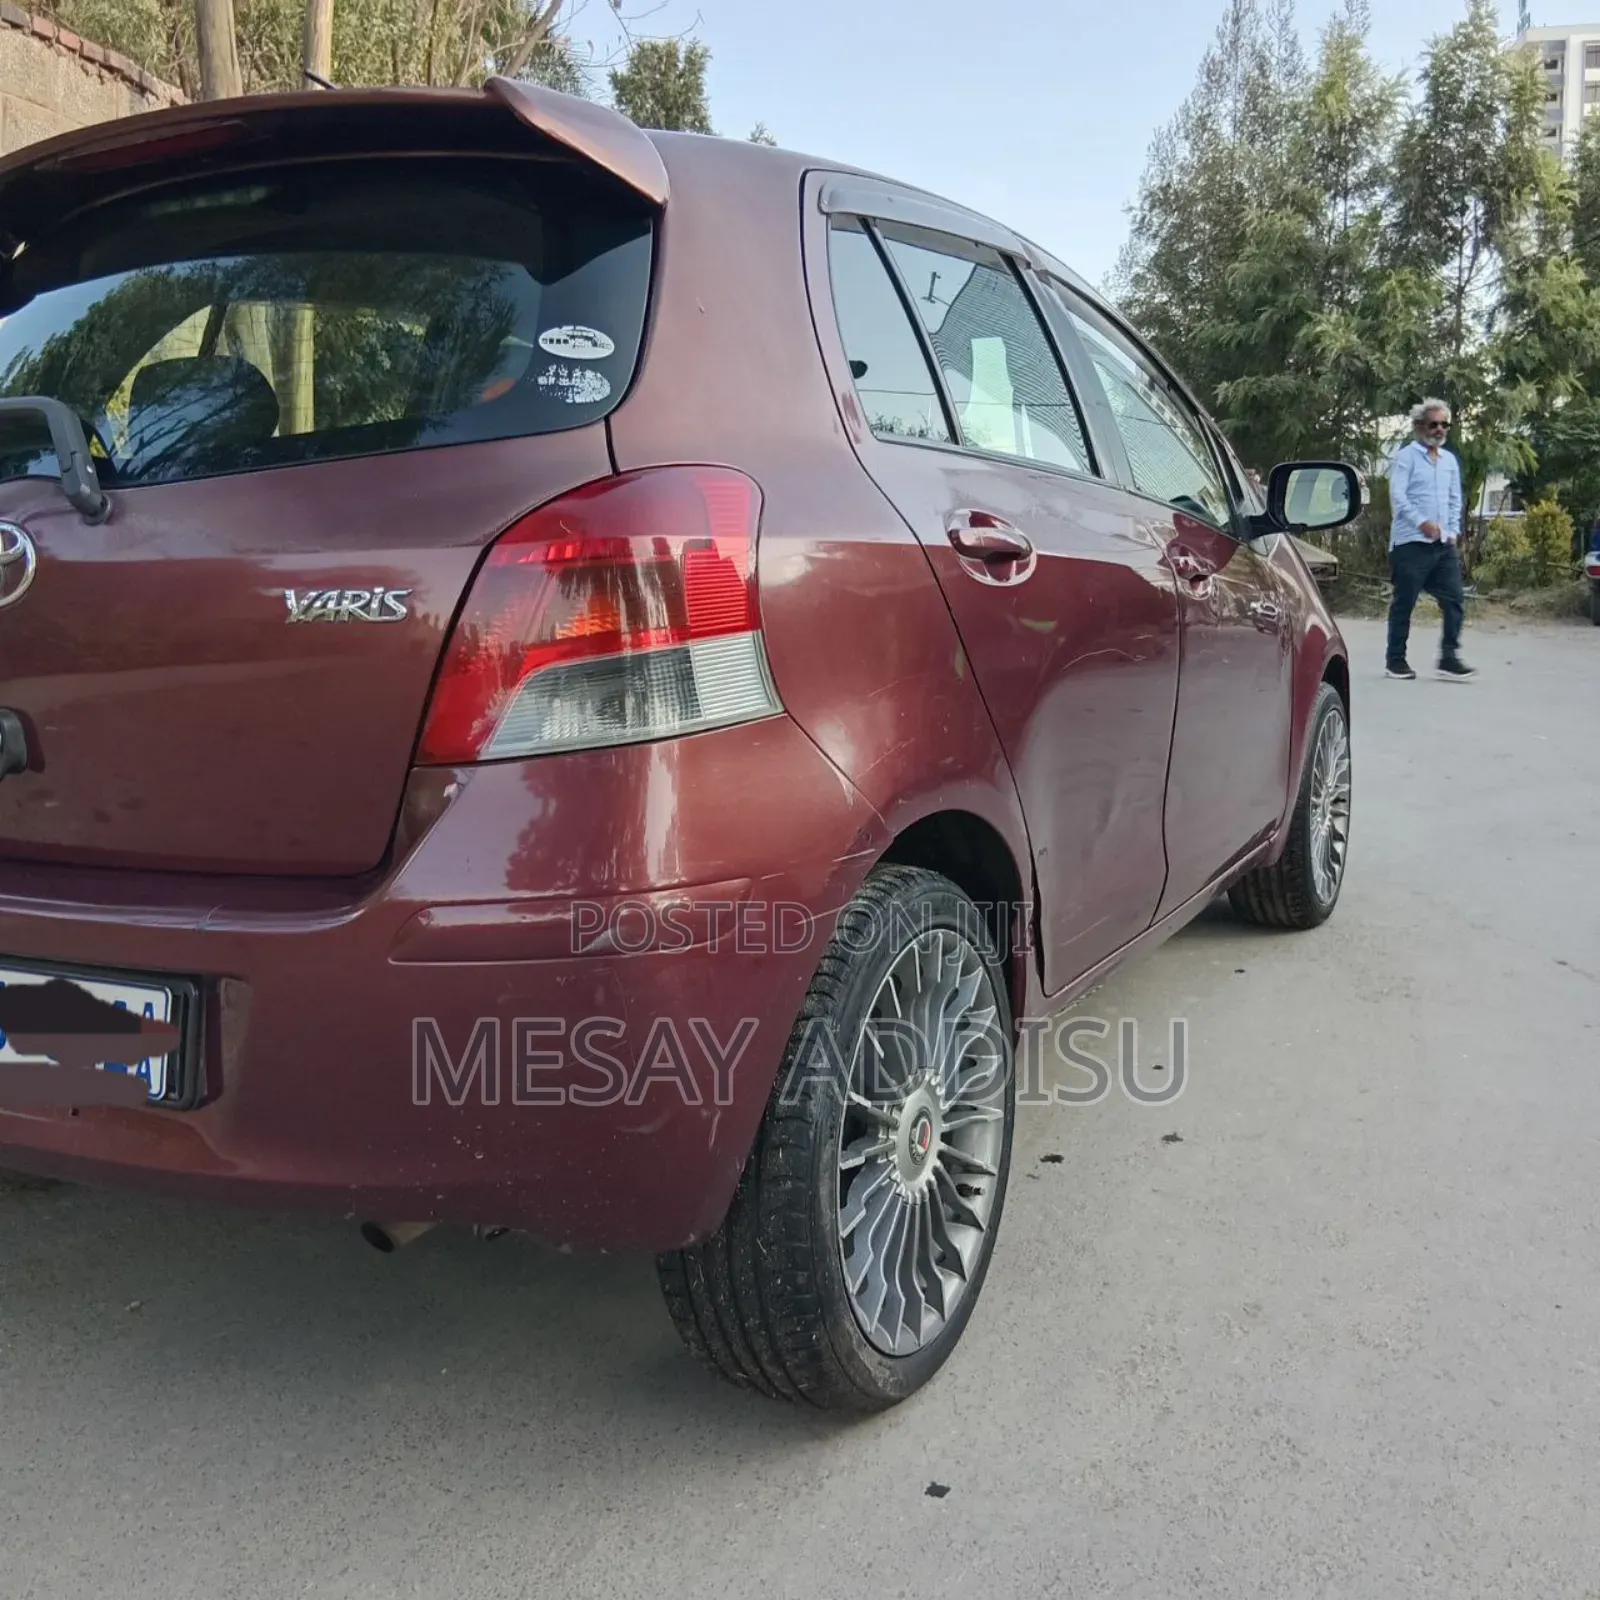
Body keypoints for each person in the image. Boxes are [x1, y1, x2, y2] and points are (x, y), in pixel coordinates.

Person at [1386, 399, 1476, 681]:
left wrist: (1451, 532)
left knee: (1455, 600)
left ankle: (1448, 658)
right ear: (1419, 426)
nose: (1439, 429)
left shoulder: (1449, 460)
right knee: (1405, 602)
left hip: (1442, 545)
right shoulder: (1406, 457)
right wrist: (1421, 523)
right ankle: (1395, 661)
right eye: (1433, 423)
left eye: (1443, 424)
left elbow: (1454, 500)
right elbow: (1398, 497)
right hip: (1411, 542)